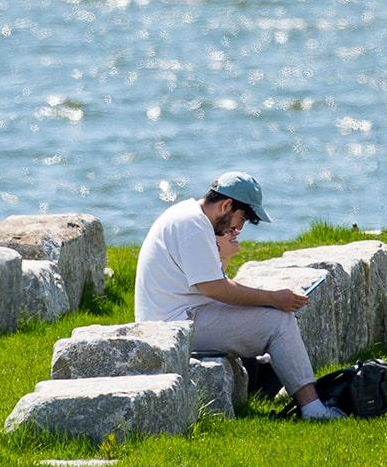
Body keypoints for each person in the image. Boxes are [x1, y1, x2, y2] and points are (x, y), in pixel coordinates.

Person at [135, 171, 345, 420]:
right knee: (278, 323)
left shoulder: (188, 217)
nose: (239, 228)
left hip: (179, 315)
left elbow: (212, 285)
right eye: (242, 218)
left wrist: (268, 299)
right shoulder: (193, 226)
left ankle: (298, 396)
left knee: (270, 314)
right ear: (226, 205)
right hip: (177, 324)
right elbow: (215, 289)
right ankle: (314, 410)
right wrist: (273, 298)